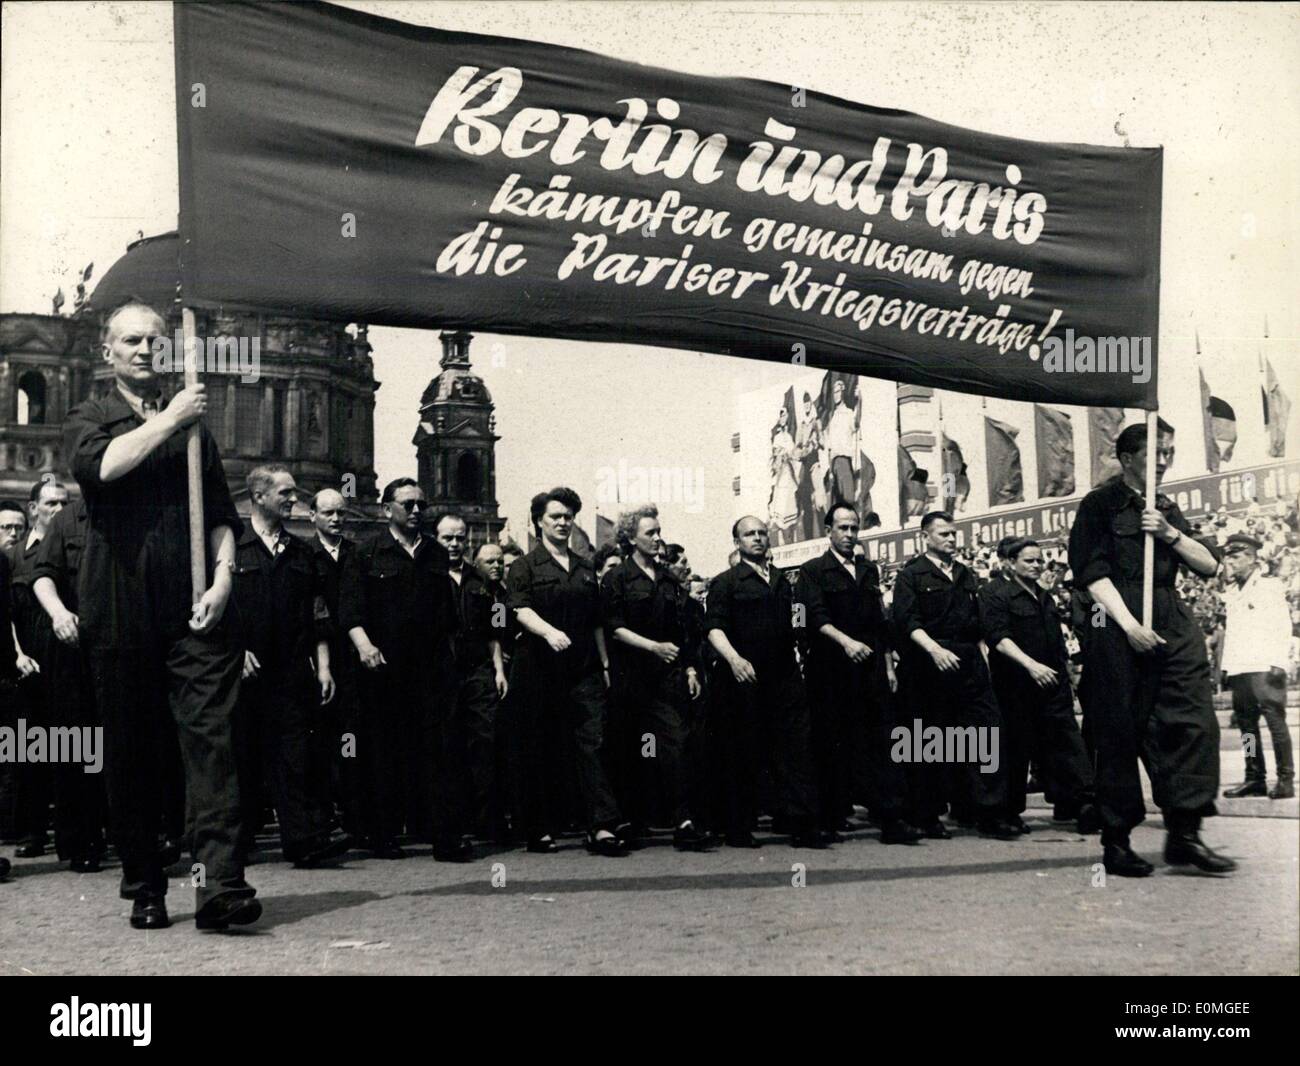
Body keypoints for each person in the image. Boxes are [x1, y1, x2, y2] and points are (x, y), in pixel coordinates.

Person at [64, 300, 259, 931]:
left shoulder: (195, 429)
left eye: (156, 340)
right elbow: (103, 467)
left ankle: (218, 887)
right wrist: (170, 418)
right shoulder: (91, 415)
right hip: (119, 609)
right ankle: (146, 883)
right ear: (108, 352)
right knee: (132, 754)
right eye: (133, 341)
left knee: (212, 747)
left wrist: (224, 577)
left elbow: (223, 516)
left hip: (193, 610)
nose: (146, 350)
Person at [1068, 420, 1234, 877]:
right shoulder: (1099, 504)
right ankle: (1117, 842)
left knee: (1194, 723)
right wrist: (1129, 625)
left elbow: (1209, 563)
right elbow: (1090, 572)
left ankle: (1185, 834)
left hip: (1172, 619)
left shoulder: (1165, 507)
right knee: (1119, 732)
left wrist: (1169, 534)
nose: (1164, 460)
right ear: (1126, 458)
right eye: (1155, 453)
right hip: (1118, 619)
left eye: (1169, 451)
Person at [339, 478, 466, 860]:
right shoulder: (364, 552)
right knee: (384, 752)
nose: (416, 511)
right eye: (408, 504)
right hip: (384, 669)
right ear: (386, 509)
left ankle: (443, 836)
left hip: (430, 668)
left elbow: (447, 613)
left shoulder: (436, 554)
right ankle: (383, 833)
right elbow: (350, 608)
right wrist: (364, 646)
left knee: (437, 751)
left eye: (421, 505)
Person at [229, 465, 349, 867]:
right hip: (243, 673)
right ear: (258, 497)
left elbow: (318, 613)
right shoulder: (231, 547)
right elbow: (219, 609)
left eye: (294, 493)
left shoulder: (303, 552)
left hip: (291, 674)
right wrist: (235, 650)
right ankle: (236, 845)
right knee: (242, 758)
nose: (293, 499)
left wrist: (324, 667)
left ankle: (303, 841)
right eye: (284, 493)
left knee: (296, 758)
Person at [506, 487, 626, 856]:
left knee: (593, 743)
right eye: (555, 516)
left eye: (567, 516)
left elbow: (596, 622)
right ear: (538, 521)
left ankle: (601, 826)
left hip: (583, 669)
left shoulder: (586, 568)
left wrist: (605, 663)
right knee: (541, 744)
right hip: (540, 669)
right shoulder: (525, 566)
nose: (562, 522)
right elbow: (519, 609)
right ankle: (539, 828)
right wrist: (549, 632)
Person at [797, 504, 920, 844]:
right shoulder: (813, 571)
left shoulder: (868, 571)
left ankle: (891, 818)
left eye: (854, 528)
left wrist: (890, 665)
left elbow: (880, 622)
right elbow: (815, 616)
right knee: (831, 742)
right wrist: (846, 643)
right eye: (843, 528)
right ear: (829, 531)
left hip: (869, 670)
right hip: (830, 670)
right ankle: (830, 815)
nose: (850, 535)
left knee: (882, 740)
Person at [891, 511, 1017, 840]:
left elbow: (977, 622)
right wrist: (934, 650)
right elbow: (907, 621)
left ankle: (989, 811)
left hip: (969, 661)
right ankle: (927, 814)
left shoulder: (965, 574)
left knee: (987, 733)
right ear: (926, 537)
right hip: (930, 661)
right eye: (944, 534)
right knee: (932, 740)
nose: (951, 539)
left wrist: (983, 656)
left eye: (953, 534)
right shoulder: (911, 575)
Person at [705, 516, 828, 848]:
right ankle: (738, 826)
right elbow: (714, 628)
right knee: (744, 751)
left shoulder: (784, 581)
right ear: (737, 542)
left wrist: (801, 644)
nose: (757, 538)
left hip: (785, 675)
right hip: (745, 676)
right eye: (749, 534)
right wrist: (734, 659)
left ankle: (802, 823)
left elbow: (798, 614)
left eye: (761, 533)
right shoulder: (726, 582)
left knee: (795, 749)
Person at [602, 505, 712, 850]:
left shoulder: (668, 579)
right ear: (630, 537)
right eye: (650, 533)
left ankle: (684, 821)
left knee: (675, 743)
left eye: (659, 531)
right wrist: (653, 647)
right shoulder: (616, 579)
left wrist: (691, 668)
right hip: (629, 678)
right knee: (631, 749)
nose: (657, 538)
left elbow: (684, 631)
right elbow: (614, 628)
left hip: (666, 679)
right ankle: (633, 820)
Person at [978, 538, 1097, 834]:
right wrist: (1031, 666)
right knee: (1016, 747)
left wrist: (1064, 674)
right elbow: (998, 638)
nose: (1036, 566)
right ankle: (1007, 812)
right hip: (1016, 683)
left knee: (1068, 741)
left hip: (1052, 682)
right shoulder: (994, 594)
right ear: (1010, 562)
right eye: (1029, 560)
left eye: (1039, 560)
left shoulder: (1044, 596)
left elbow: (1057, 641)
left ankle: (1083, 802)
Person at [30, 497, 110, 871]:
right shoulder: (65, 521)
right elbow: (42, 575)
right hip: (74, 647)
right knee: (76, 746)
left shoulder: (138, 513)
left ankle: (128, 836)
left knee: (121, 746)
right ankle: (81, 840)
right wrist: (59, 613)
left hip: (122, 647)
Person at [435, 512, 508, 841]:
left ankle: (488, 820)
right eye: (447, 538)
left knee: (485, 742)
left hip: (478, 670)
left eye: (459, 538)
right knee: (448, 747)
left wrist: (499, 670)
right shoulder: (428, 576)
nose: (453, 544)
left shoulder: (481, 582)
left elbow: (495, 631)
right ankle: (452, 822)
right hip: (443, 673)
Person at [7, 478, 68, 858]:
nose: (59, 510)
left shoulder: (73, 549)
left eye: (64, 503)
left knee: (73, 748)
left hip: (66, 660)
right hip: (24, 665)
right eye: (51, 504)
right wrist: (15, 653)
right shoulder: (12, 557)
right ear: (34, 510)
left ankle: (71, 831)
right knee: (28, 748)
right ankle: (31, 830)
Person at [308, 487, 365, 839]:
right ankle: (322, 814)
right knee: (319, 738)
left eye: (341, 513)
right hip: (317, 657)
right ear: (312, 515)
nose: (336, 519)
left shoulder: (358, 555)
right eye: (328, 513)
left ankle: (353, 811)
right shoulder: (305, 555)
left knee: (351, 735)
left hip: (352, 657)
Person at [1219, 534, 1294, 799]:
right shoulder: (1233, 591)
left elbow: (1282, 625)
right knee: (1247, 727)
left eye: (1236, 556)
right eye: (1228, 556)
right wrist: (1227, 667)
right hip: (1241, 668)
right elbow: (1233, 632)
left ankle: (1285, 778)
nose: (1230, 561)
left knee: (1275, 723)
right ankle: (1254, 777)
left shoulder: (1268, 586)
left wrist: (1279, 661)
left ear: (1251, 558)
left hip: (1265, 664)